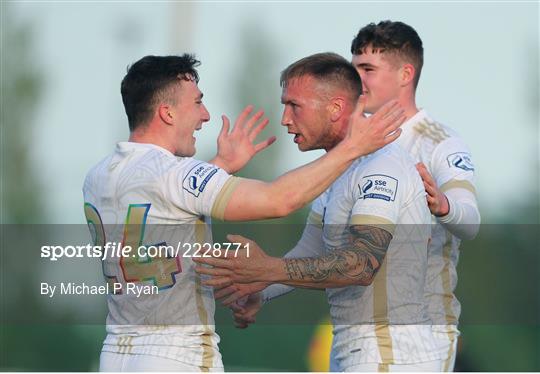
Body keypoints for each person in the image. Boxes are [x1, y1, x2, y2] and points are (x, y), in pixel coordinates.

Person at [82, 54, 404, 372]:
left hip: (116, 353)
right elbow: (280, 200)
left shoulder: (100, 176)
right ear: (167, 113)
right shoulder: (176, 173)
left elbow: (163, 200)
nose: (205, 115)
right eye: (197, 102)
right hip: (175, 354)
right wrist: (354, 147)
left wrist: (220, 168)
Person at [194, 52, 441, 371]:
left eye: (294, 105)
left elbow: (362, 264)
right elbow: (311, 249)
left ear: (336, 108)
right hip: (354, 351)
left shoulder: (382, 165)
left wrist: (267, 269)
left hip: (391, 354)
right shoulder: (335, 170)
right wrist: (262, 290)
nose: (284, 118)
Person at [350, 21, 481, 371]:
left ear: (405, 73)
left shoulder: (440, 142)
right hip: (357, 337)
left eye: (368, 69)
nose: (356, 80)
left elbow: (470, 221)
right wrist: (263, 285)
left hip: (421, 335)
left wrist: (443, 205)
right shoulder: (353, 148)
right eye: (354, 69)